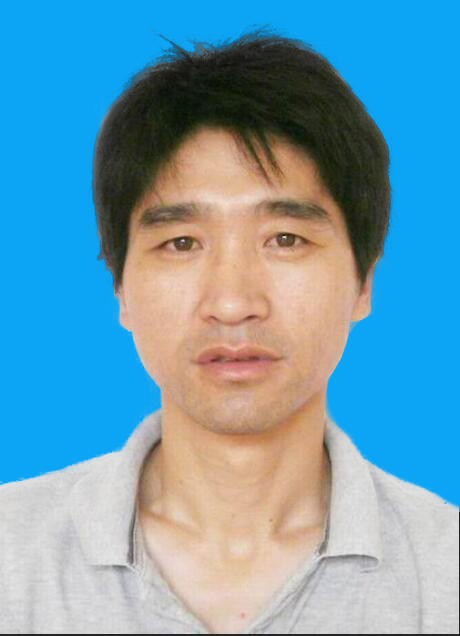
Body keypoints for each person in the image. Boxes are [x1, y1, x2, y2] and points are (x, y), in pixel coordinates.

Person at [0, 27, 458, 635]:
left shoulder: (446, 571)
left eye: (286, 239)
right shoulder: (12, 558)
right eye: (181, 242)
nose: (233, 303)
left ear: (364, 282)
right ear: (120, 287)